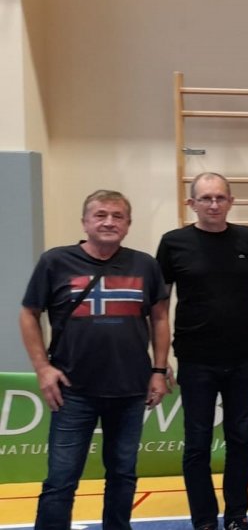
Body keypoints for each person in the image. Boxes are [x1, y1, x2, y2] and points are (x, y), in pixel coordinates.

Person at [20, 190, 170, 530]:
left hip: (131, 389)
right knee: (61, 479)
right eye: (101, 215)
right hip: (73, 390)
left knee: (123, 475)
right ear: (85, 222)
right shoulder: (55, 261)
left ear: (128, 224)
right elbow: (29, 314)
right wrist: (42, 368)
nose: (109, 222)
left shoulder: (145, 264)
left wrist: (159, 370)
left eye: (118, 216)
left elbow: (160, 318)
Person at [156, 172, 248, 530]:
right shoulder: (173, 243)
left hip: (242, 357)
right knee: (197, 444)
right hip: (196, 359)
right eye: (206, 198)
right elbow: (160, 308)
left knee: (240, 440)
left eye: (220, 198)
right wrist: (159, 363)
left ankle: (237, 515)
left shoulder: (247, 238)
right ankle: (205, 520)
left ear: (231, 201)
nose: (213, 204)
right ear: (192, 203)